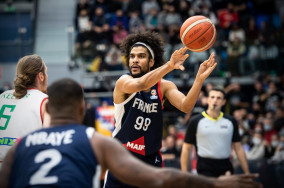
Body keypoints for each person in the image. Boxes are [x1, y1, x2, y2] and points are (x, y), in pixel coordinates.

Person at [0, 78, 262, 188]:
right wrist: (215, 184)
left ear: (48, 106)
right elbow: (160, 178)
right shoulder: (96, 142)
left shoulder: (21, 146)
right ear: (83, 108)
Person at [105, 31, 217, 187]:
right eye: (132, 56)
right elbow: (141, 85)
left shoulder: (164, 86)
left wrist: (199, 80)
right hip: (122, 157)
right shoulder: (123, 82)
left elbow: (186, 106)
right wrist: (170, 65)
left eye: (141, 56)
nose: (135, 60)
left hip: (151, 159)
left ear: (151, 62)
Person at [180, 88, 250, 177]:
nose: (215, 100)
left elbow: (238, 148)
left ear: (223, 101)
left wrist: (247, 173)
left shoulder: (230, 121)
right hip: (204, 166)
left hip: (225, 165)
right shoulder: (195, 121)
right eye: (212, 97)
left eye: (218, 98)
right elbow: (186, 148)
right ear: (208, 100)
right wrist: (184, 173)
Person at [0, 54, 49, 168]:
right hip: (23, 169)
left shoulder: (2, 96)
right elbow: (50, 143)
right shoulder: (44, 101)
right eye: (46, 72)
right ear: (40, 76)